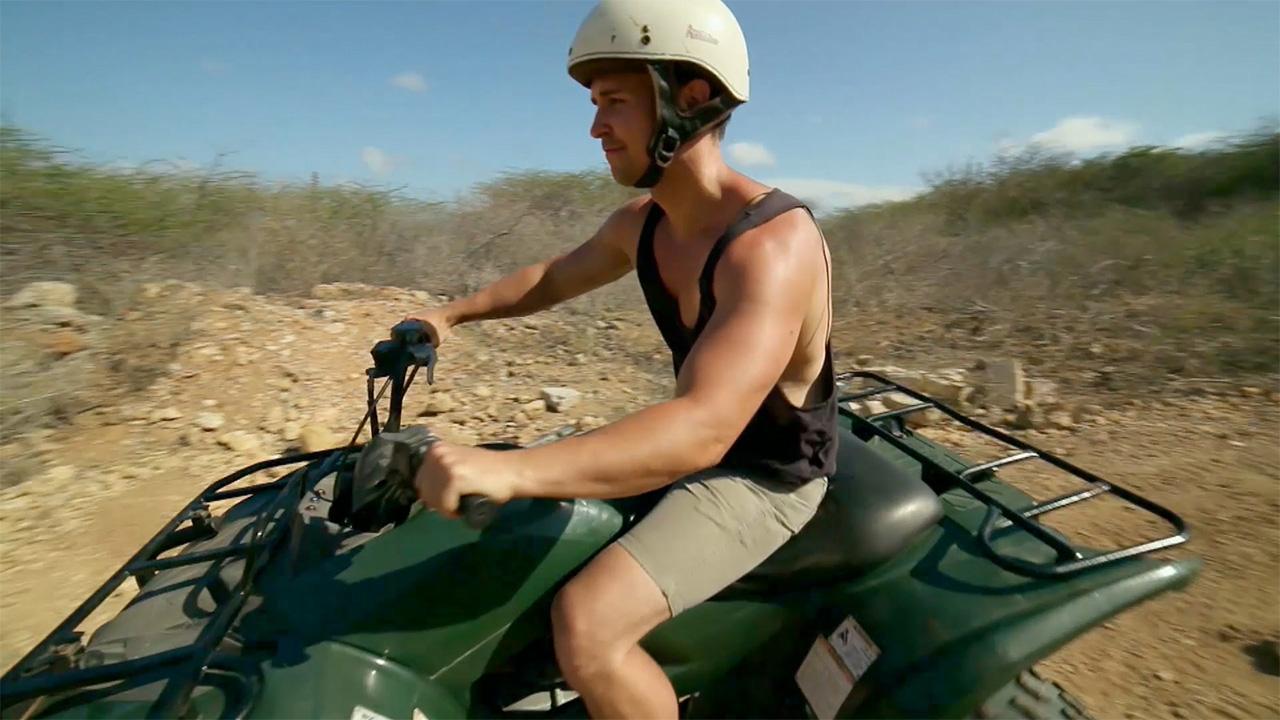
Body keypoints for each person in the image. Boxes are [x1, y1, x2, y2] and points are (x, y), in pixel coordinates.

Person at [409, 0, 838, 716]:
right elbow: (552, 278)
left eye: (614, 102)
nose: (596, 128)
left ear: (690, 99)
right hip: (701, 447)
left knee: (589, 625)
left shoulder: (772, 246)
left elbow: (703, 429)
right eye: (595, 105)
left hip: (766, 475)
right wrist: (448, 316)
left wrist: (506, 470)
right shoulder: (647, 224)